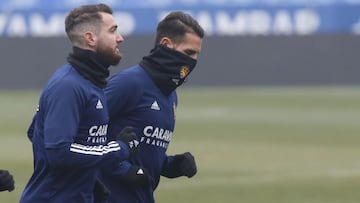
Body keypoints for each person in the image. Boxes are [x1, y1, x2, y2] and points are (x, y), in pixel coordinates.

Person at [20, 4, 139, 203]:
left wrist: (87, 181)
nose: (120, 38)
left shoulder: (89, 81)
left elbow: (36, 131)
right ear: (90, 38)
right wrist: (118, 149)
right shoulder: (68, 86)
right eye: (113, 31)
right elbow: (58, 151)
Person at [102, 11, 205, 202]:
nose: (193, 61)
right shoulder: (129, 84)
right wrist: (123, 171)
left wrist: (171, 165)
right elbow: (81, 135)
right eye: (189, 53)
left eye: (197, 54)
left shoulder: (171, 95)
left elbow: (142, 150)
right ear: (166, 44)